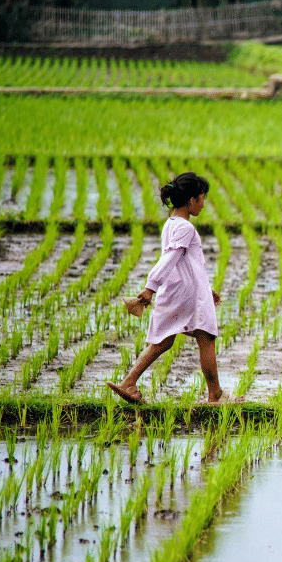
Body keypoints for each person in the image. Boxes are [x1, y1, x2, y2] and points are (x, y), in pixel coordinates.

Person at [107, 172, 236, 404]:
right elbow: (170, 259)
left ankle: (129, 382)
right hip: (186, 292)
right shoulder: (186, 228)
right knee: (206, 338)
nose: (204, 204)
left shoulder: (171, 224)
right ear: (191, 201)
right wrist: (150, 287)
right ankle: (215, 394)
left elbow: (186, 263)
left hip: (177, 289)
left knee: (163, 341)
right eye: (202, 198)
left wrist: (206, 288)